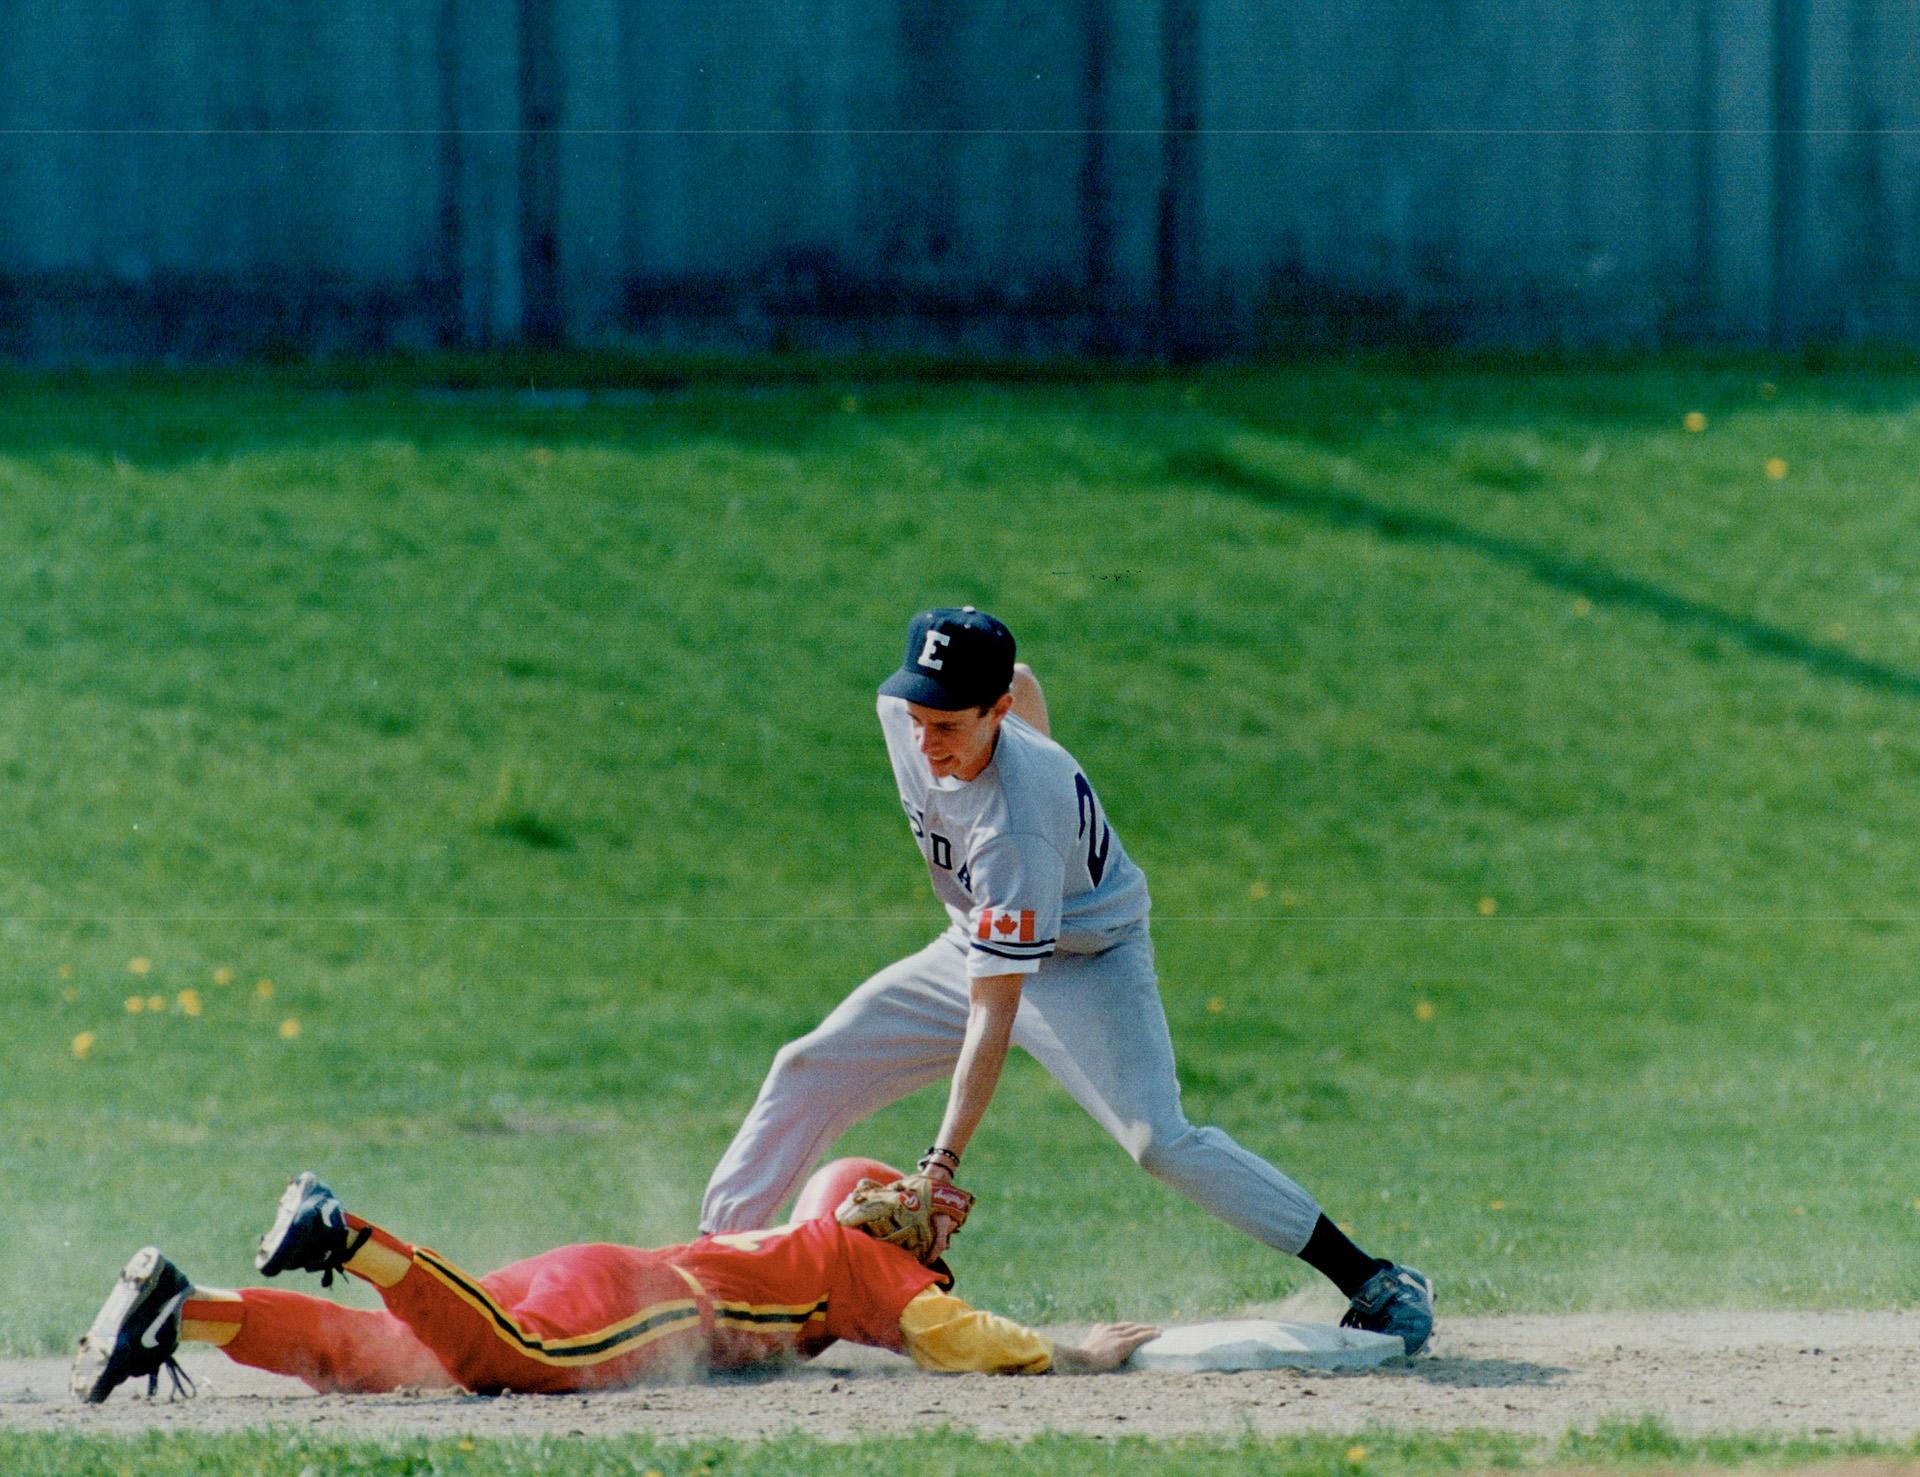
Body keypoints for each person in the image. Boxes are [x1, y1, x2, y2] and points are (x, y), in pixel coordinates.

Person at [701, 607, 1435, 1354]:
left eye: (949, 725)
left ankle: (1375, 1279)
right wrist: (1025, 749)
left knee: (1160, 1141)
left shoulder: (1017, 829)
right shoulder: (911, 711)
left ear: (996, 714)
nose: (925, 742)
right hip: (979, 936)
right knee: (808, 1065)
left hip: (1089, 957)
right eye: (918, 715)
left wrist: (940, 1165)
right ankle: (713, 1278)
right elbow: (1022, 676)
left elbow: (996, 1015)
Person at [70, 1159, 1159, 1403]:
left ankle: (184, 1305)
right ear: (879, 1217)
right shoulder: (860, 1257)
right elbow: (958, 1335)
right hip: (644, 1308)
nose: (925, 1236)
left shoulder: (807, 1235)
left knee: (383, 1363)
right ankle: (346, 1233)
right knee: (516, 1361)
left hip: (604, 1270)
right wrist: (1072, 1351)